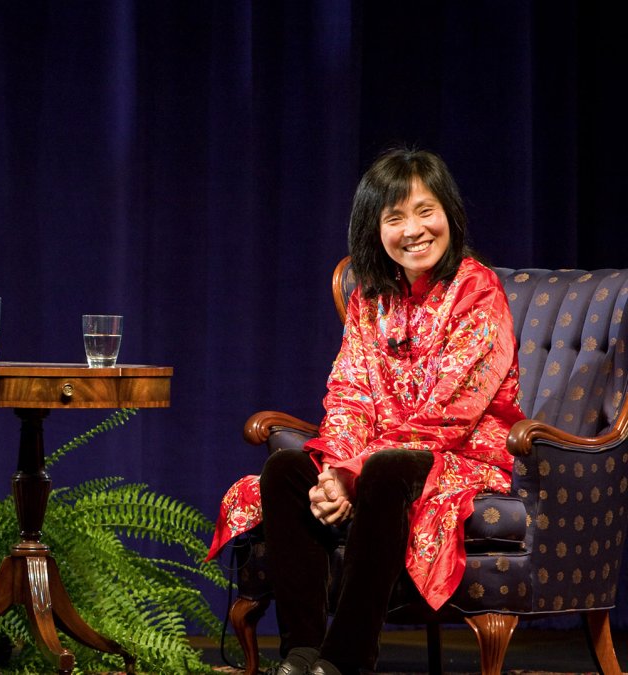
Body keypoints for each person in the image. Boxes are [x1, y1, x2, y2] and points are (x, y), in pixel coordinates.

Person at [205, 148, 525, 675]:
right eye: (394, 217)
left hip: (459, 453)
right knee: (285, 470)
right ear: (374, 229)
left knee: (385, 468)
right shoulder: (369, 298)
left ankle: (346, 660)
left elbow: (451, 413)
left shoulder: (478, 291)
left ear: (449, 213)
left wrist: (354, 473)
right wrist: (334, 470)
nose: (413, 229)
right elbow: (349, 392)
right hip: (374, 458)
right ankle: (302, 653)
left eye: (426, 211)